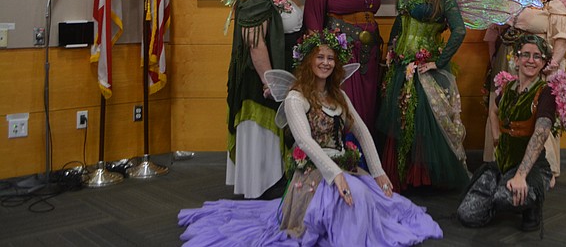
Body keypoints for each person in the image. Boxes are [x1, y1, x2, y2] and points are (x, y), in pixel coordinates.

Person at [178, 30, 443, 246]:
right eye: (320, 57)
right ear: (308, 61)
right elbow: (305, 142)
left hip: (345, 166)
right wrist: (335, 175)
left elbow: (361, 130)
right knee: (352, 200)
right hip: (314, 171)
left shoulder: (339, 95)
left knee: (381, 201)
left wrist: (377, 171)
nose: (326, 63)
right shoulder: (296, 97)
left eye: (330, 58)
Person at [377, 0, 469, 191]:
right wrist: (391, 52)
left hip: (424, 68)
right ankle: (402, 176)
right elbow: (398, 27)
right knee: (401, 122)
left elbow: (460, 31)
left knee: (424, 124)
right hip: (401, 67)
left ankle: (424, 178)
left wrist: (438, 62)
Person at [457, 34, 566, 233]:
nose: (530, 60)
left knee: (504, 197)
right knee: (466, 214)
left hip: (531, 168)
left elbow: (540, 135)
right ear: (516, 59)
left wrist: (521, 176)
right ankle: (503, 191)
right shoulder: (507, 88)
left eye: (537, 56)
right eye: (525, 55)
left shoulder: (545, 93)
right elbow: (493, 112)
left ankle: (532, 203)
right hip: (502, 164)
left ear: (544, 62)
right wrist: (496, 140)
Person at [222, 0, 304, 199]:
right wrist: (270, 80)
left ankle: (278, 178)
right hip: (263, 75)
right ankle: (261, 183)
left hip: (284, 68)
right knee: (264, 128)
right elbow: (255, 43)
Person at [482, 0, 566, 188]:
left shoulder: (554, 5)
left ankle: (542, 166)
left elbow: (562, 37)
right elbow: (494, 32)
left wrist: (552, 63)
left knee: (536, 112)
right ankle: (500, 160)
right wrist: (494, 58)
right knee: (504, 107)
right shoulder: (513, 1)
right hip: (509, 62)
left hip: (538, 66)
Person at [303, 0, 382, 133]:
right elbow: (314, 14)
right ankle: (346, 151)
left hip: (369, 51)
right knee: (347, 100)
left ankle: (366, 154)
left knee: (369, 102)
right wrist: (320, 53)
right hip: (342, 50)